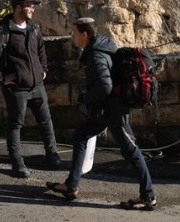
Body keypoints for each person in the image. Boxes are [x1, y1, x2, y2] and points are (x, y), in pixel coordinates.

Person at [46, 17, 157, 210]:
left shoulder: (95, 55)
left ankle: (148, 197)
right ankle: (71, 186)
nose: (72, 36)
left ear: (84, 34)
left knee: (131, 150)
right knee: (80, 135)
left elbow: (105, 86)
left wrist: (85, 96)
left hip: (115, 110)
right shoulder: (103, 46)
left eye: (74, 32)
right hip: (107, 109)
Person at [0, 0, 61, 178]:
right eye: (29, 5)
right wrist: (1, 78)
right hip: (17, 89)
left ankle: (52, 155)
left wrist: (44, 69)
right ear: (18, 8)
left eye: (33, 5)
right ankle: (17, 163)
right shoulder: (4, 31)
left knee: (46, 121)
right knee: (16, 125)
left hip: (37, 86)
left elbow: (41, 50)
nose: (33, 8)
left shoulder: (34, 28)